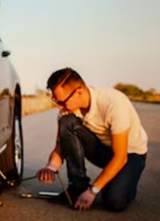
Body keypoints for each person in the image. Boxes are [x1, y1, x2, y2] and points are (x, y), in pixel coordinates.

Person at [36, 68, 148, 211]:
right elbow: (60, 148)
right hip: (102, 150)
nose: (59, 106)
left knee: (114, 201)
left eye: (62, 102)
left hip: (130, 154)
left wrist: (93, 190)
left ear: (79, 91)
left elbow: (120, 157)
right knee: (66, 121)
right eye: (56, 101)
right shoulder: (66, 112)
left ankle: (127, 182)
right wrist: (50, 167)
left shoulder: (112, 102)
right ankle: (77, 186)